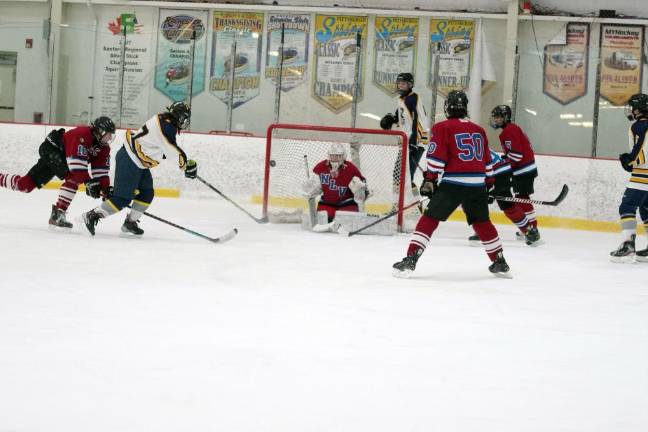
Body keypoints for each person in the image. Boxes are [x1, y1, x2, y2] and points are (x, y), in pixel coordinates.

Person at [392, 90, 511, 278]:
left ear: (447, 108)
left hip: (453, 184)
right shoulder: (478, 129)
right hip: (477, 185)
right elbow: (488, 163)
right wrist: (488, 185)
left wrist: (430, 180)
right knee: (482, 222)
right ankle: (499, 261)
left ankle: (411, 259)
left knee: (429, 219)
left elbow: (436, 161)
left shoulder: (442, 127)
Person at [79, 102, 197, 237]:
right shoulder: (167, 127)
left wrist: (184, 163)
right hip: (130, 159)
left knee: (146, 193)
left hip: (138, 161)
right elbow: (171, 149)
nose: (186, 121)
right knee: (122, 198)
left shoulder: (164, 120)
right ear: (180, 117)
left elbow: (158, 147)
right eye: (185, 118)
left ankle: (130, 222)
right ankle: (91, 216)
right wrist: (185, 165)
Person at [0, 117, 116, 229]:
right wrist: (88, 182)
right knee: (73, 178)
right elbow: (76, 165)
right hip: (52, 150)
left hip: (64, 157)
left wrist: (104, 189)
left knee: (24, 186)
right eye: (109, 134)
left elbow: (101, 171)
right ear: (100, 131)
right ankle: (58, 215)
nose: (110, 137)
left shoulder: (104, 148)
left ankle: (57, 214)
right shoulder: (82, 134)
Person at [467, 148, 541, 246]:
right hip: (502, 170)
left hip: (496, 172)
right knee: (507, 206)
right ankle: (530, 231)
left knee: (476, 203)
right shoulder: (474, 141)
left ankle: (482, 231)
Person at [489, 104, 541, 242]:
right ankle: (530, 227)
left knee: (522, 198)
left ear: (505, 117)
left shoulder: (509, 131)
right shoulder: (511, 129)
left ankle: (532, 228)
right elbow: (515, 154)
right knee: (522, 197)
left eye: (498, 117)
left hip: (523, 170)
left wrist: (504, 166)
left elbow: (517, 156)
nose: (495, 120)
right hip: (525, 169)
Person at [610, 93, 648, 263]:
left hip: (643, 175)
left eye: (633, 106)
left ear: (640, 109)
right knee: (646, 209)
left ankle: (628, 245)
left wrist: (630, 160)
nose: (631, 110)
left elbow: (642, 147)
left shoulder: (640, 126)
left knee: (627, 206)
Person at [380, 72, 430, 198]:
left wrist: (414, 142)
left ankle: (415, 205)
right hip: (407, 143)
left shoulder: (414, 98)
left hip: (415, 143)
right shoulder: (402, 99)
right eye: (399, 84)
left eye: (403, 84)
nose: (401, 86)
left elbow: (419, 121)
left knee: (406, 176)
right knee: (399, 175)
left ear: (410, 85)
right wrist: (391, 119)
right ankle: (400, 204)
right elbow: (401, 117)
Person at [301, 143, 368, 232]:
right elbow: (315, 188)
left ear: (343, 156)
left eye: (338, 156)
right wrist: (309, 189)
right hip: (327, 203)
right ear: (329, 156)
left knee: (349, 221)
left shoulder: (351, 169)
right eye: (332, 156)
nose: (335, 158)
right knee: (324, 220)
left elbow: (361, 193)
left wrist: (360, 191)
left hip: (347, 204)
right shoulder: (321, 167)